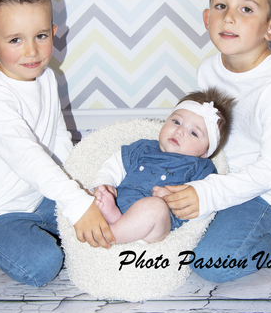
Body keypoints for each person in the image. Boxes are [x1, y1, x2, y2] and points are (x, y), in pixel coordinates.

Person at [159, 0, 271, 283]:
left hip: (266, 192)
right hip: (220, 173)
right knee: (152, 202)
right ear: (206, 18)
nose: (228, 18)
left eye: (246, 9)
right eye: (220, 5)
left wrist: (207, 194)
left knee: (211, 263)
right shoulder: (209, 69)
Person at [0, 0, 114, 286]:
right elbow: (29, 158)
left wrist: (81, 185)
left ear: (53, 32)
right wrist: (76, 204)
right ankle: (18, 240)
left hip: (38, 196)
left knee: (107, 206)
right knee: (43, 263)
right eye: (15, 40)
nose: (31, 50)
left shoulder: (46, 77)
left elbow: (57, 137)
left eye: (40, 36)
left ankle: (59, 225)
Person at [93, 88, 234, 244]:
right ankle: (114, 219)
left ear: (205, 152)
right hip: (120, 203)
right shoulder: (143, 148)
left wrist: (172, 199)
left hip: (154, 224)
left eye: (193, 133)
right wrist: (105, 185)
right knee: (92, 197)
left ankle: (108, 236)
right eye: (176, 122)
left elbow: (205, 203)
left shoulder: (200, 167)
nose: (179, 131)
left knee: (155, 207)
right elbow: (114, 164)